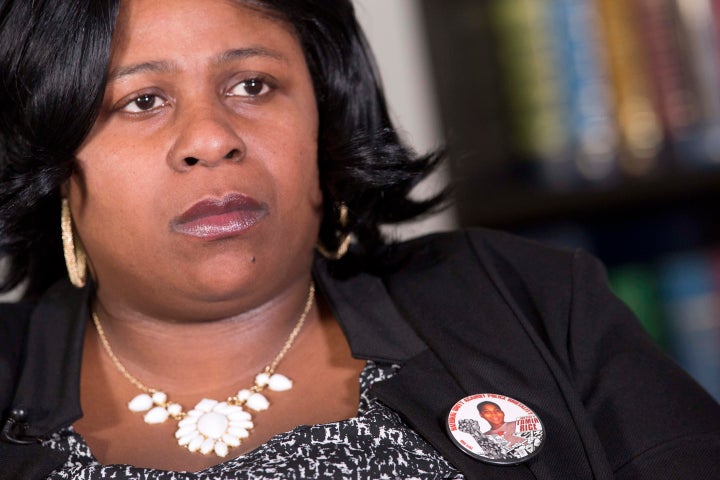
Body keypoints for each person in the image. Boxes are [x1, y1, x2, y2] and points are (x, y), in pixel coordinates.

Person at [0, 0, 718, 479]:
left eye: (252, 85)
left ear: (327, 121)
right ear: (53, 158)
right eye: (142, 100)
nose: (211, 139)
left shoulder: (520, 297)